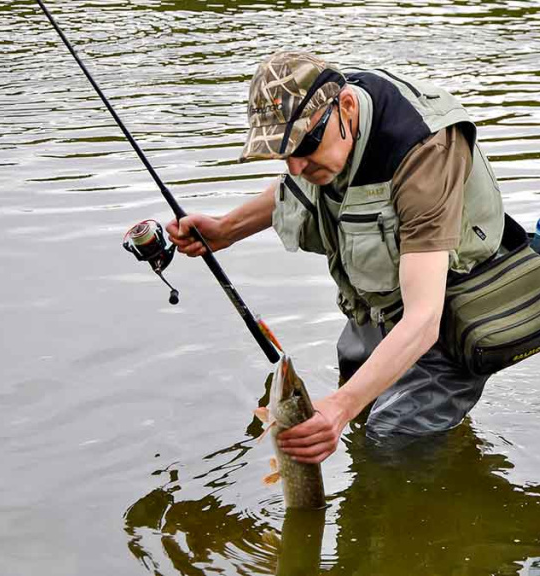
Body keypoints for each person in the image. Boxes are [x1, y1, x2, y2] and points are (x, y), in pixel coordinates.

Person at [166, 51, 505, 464]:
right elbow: (295, 186)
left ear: (345, 106)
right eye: (281, 153)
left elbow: (424, 320)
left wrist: (339, 408)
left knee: (390, 438)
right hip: (380, 303)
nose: (295, 165)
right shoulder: (328, 134)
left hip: (452, 312)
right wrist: (227, 229)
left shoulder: (423, 150)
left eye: (305, 144)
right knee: (354, 407)